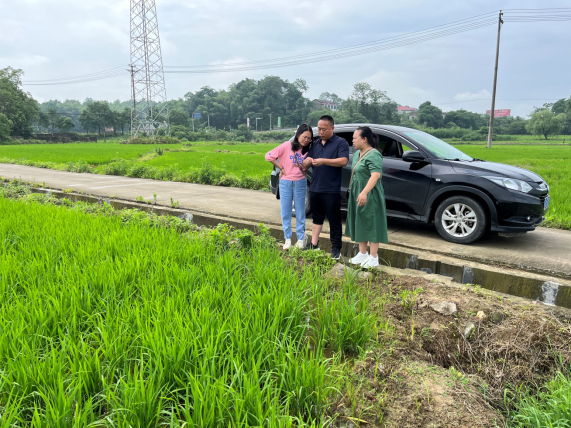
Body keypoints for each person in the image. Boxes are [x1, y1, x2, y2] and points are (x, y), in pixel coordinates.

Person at [302, 115, 349, 259]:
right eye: (319, 129)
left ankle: (336, 249)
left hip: (331, 188)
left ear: (332, 128)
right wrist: (307, 161)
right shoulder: (315, 144)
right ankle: (314, 244)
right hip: (315, 187)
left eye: (324, 129)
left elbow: (343, 161)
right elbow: (304, 164)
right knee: (316, 218)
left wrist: (324, 161)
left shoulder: (341, 143)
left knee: (334, 219)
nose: (321, 132)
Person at [345, 126, 388, 268]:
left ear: (365, 139)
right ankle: (362, 253)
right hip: (358, 191)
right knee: (361, 221)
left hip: (370, 193)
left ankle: (373, 256)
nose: (353, 141)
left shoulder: (374, 154)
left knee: (372, 222)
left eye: (355, 138)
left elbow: (375, 175)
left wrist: (364, 192)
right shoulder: (358, 154)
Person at [265, 124, 313, 249]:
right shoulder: (287, 145)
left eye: (309, 138)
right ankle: (287, 239)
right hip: (285, 182)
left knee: (300, 212)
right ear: (298, 135)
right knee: (285, 212)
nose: (306, 140)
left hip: (300, 182)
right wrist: (281, 167)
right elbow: (268, 156)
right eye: (304, 137)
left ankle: (301, 239)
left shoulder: (308, 149)